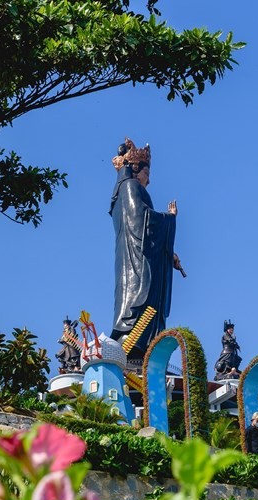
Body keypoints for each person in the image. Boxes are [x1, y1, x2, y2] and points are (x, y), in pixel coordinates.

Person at [109, 138, 184, 360]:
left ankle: (142, 348)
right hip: (137, 263)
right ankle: (133, 345)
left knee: (145, 306)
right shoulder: (130, 187)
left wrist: (168, 253)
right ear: (135, 169)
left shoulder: (125, 190)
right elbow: (140, 222)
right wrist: (169, 219)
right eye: (146, 175)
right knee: (137, 303)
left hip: (138, 256)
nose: (148, 182)